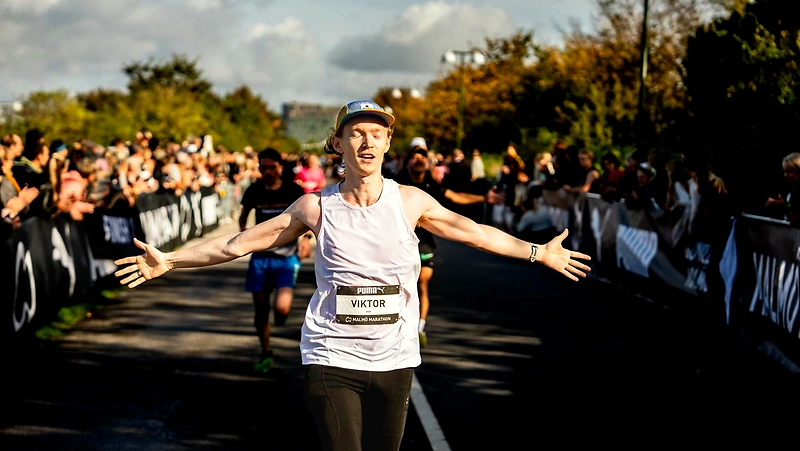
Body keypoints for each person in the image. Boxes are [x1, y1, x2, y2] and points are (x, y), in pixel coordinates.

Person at [114, 99, 592, 451]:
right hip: (332, 357)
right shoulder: (314, 207)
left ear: (387, 143)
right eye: (356, 133)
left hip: (394, 361)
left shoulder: (411, 202)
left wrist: (537, 253)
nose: (366, 141)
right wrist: (172, 259)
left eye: (376, 133)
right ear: (338, 143)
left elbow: (475, 233)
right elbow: (238, 243)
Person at [394, 141, 504, 348]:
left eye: (422, 157)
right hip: (398, 244)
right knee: (400, 287)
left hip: (424, 244)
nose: (419, 160)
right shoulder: (395, 184)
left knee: (422, 283)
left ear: (427, 163)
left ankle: (419, 328)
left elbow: (455, 197)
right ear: (407, 162)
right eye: (414, 157)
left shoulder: (431, 185)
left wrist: (483, 198)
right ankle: (398, 326)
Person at [239, 147, 312, 373]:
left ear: (280, 167)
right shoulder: (254, 190)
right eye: (264, 167)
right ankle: (266, 350)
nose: (268, 171)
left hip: (287, 257)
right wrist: (244, 238)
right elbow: (243, 217)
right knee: (261, 311)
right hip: (261, 257)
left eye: (272, 167)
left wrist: (306, 239)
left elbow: (307, 218)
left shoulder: (293, 190)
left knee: (281, 308)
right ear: (259, 168)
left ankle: (280, 319)